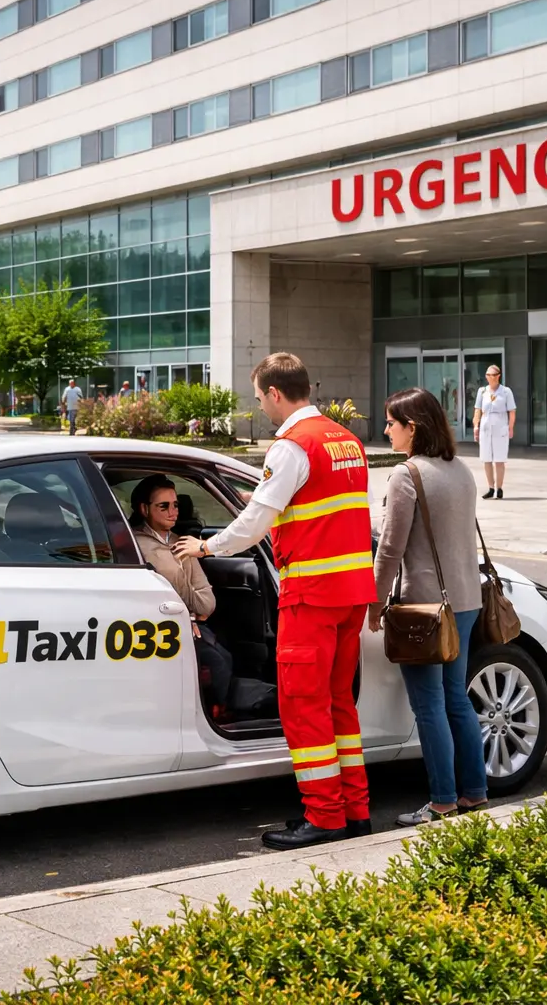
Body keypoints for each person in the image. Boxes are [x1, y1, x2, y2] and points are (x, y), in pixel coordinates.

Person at [174, 352, 376, 848]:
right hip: (351, 593)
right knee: (338, 706)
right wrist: (264, 499)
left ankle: (324, 817)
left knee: (303, 706)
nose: (262, 406)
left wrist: (205, 546)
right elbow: (319, 506)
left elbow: (252, 530)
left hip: (311, 595)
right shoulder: (344, 440)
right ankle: (355, 811)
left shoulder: (290, 446)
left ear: (276, 394)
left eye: (261, 396)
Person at [370, 388, 487, 826]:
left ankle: (441, 801)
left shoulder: (406, 475)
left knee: (430, 705)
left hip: (423, 606)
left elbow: (390, 550)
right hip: (466, 601)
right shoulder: (461, 471)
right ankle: (474, 793)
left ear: (412, 427)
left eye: (391, 423)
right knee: (457, 699)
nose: (386, 430)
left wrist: (375, 602)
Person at [128, 475, 233, 712]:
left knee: (226, 652)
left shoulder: (183, 542)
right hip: (154, 626)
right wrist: (191, 612)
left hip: (190, 624)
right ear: (144, 509)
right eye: (163, 506)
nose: (173, 512)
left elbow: (207, 604)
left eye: (175, 505)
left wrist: (193, 613)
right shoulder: (137, 545)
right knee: (216, 661)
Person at [472, 365, 516, 499]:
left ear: (498, 376)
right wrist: (476, 425)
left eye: (492, 375)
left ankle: (499, 488)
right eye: (488, 375)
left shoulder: (506, 392)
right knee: (486, 459)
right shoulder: (482, 391)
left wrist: (510, 427)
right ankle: (491, 487)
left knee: (499, 459)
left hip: (500, 425)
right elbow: (477, 410)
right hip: (486, 425)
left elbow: (512, 411)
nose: (490, 378)